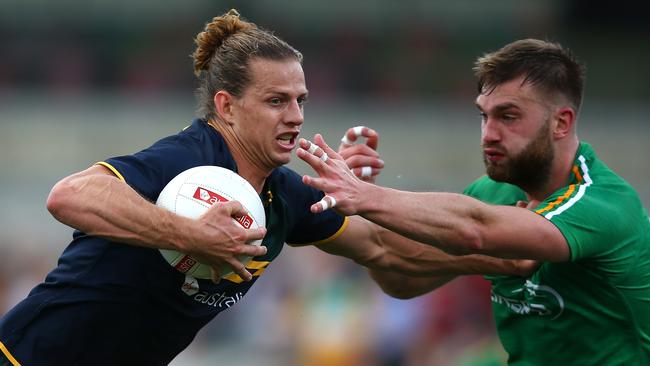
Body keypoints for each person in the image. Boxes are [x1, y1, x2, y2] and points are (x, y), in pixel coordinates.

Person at [0, 10, 536, 366]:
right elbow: (69, 196)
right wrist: (188, 232)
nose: (296, 116)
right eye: (277, 101)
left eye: (300, 100)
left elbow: (383, 251)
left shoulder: (287, 195)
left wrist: (495, 249)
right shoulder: (190, 159)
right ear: (226, 107)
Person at [297, 38, 650, 364]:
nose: (489, 134)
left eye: (508, 116)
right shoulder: (492, 193)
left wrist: (362, 195)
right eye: (485, 115)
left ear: (561, 122)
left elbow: (475, 230)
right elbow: (400, 280)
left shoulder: (604, 204)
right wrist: (365, 201)